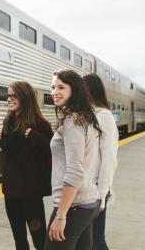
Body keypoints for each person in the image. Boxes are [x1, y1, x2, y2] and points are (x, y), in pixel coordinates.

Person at [45, 70, 103, 250]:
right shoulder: (86, 118)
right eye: (53, 87)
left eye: (61, 87)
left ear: (74, 90)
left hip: (73, 206)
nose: (55, 91)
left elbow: (75, 171)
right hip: (87, 202)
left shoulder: (72, 121)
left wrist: (61, 215)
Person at [0, 81, 53, 250]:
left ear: (25, 98)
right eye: (8, 96)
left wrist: (34, 135)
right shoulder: (9, 121)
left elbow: (52, 150)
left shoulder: (39, 123)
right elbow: (12, 150)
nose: (10, 99)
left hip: (31, 194)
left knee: (39, 239)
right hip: (11, 192)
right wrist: (1, 140)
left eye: (14, 96)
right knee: (19, 239)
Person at [83, 74, 119, 250]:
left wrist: (102, 196)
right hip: (85, 188)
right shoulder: (86, 114)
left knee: (97, 239)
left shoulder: (104, 116)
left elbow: (109, 158)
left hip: (97, 189)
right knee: (87, 241)